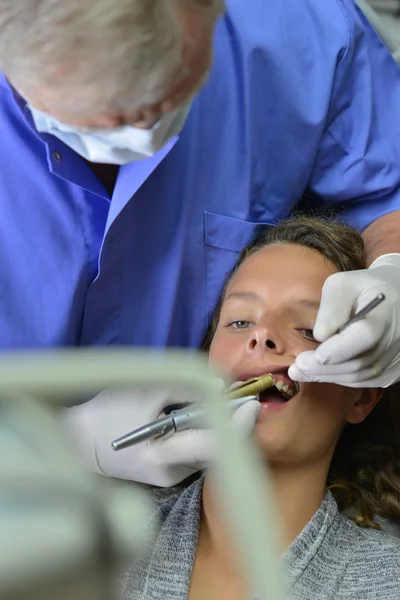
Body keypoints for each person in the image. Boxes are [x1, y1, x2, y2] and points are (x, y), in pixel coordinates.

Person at [1, 0, 400, 485]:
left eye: (309, 330)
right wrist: (62, 443)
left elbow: (386, 189)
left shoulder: (301, 30)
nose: (141, 128)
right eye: (238, 318)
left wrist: (393, 269)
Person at [121, 216, 400, 600]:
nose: (262, 334)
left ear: (363, 396)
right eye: (238, 321)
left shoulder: (387, 581)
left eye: (307, 328)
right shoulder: (96, 534)